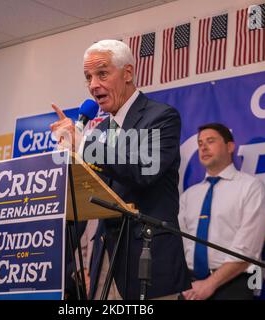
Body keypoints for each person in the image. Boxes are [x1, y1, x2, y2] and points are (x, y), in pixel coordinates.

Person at [50, 39, 191, 299]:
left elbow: (143, 169)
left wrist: (84, 143)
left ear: (128, 73)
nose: (93, 85)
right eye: (88, 77)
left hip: (147, 260)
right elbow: (92, 188)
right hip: (105, 259)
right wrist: (68, 159)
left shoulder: (161, 117)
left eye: (102, 73)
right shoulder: (101, 130)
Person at [178, 123, 265, 300]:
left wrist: (209, 284)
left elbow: (247, 250)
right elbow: (180, 244)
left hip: (233, 286)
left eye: (210, 141)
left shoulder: (250, 188)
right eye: (199, 143)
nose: (203, 147)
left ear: (230, 146)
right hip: (190, 288)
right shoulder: (189, 195)